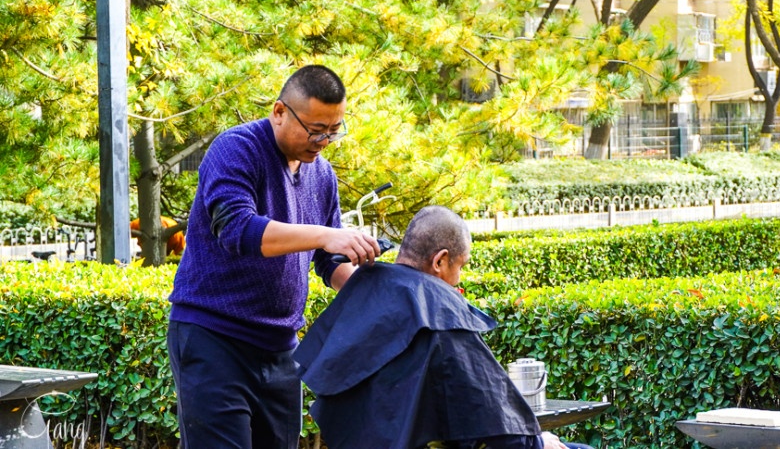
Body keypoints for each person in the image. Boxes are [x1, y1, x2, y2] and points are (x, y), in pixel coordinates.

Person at [167, 65, 381, 449]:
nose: (324, 141)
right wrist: (327, 235)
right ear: (279, 112)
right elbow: (237, 230)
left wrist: (379, 287)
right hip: (214, 340)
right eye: (316, 130)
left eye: (334, 131)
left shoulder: (323, 175)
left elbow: (329, 262)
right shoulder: (236, 149)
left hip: (282, 348)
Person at [295, 206, 593, 449]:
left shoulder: (368, 290)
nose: (459, 279)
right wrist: (540, 444)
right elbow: (497, 420)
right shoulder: (439, 312)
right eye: (460, 266)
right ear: (440, 260)